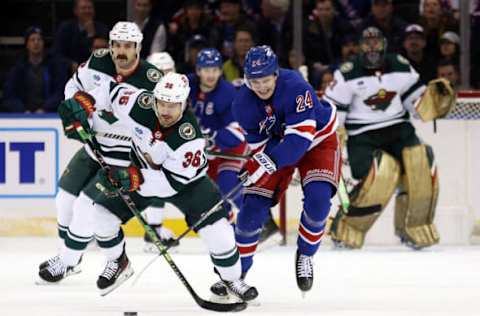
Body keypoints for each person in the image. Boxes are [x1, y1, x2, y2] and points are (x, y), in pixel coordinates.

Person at [50, 72, 259, 301]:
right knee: (100, 214)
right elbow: (109, 91)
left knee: (219, 232)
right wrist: (83, 103)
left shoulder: (189, 138)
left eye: (173, 105)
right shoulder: (140, 103)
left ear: (184, 103)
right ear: (154, 98)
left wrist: (135, 177)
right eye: (161, 103)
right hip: (139, 173)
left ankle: (231, 279)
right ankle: (117, 261)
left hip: (188, 185)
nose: (166, 111)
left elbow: (170, 184)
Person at [37, 22, 173, 282]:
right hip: (93, 145)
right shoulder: (98, 60)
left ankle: (98, 261)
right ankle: (71, 258)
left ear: (138, 48)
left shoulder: (152, 79)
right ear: (110, 46)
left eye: (128, 46)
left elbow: (159, 122)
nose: (122, 51)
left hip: (125, 155)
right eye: (117, 45)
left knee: (88, 208)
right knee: (64, 200)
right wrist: (76, 110)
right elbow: (72, 88)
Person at [211, 45, 340, 297]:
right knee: (251, 208)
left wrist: (265, 162)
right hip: (277, 144)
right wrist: (254, 169)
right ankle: (235, 275)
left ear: (276, 75)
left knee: (318, 199)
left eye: (265, 79)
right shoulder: (243, 104)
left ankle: (305, 253)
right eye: (254, 80)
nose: (261, 86)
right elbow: (260, 147)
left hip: (317, 139)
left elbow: (299, 142)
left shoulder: (295, 85)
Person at [324, 27, 455, 250]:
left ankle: (413, 227)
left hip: (399, 130)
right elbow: (333, 113)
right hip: (362, 136)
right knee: (382, 173)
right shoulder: (347, 73)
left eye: (376, 43)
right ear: (359, 46)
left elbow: (417, 106)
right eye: (367, 44)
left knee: (421, 161)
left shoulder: (400, 65)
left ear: (384, 45)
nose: (372, 48)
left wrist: (433, 101)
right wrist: (332, 140)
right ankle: (347, 227)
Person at [188, 48, 247, 211]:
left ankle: (254, 218)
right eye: (206, 70)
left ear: (220, 70)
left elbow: (238, 131)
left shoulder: (227, 93)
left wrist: (212, 137)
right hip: (206, 151)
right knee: (214, 196)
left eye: (214, 70)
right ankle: (228, 226)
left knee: (227, 182)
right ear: (198, 71)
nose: (211, 75)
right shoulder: (187, 86)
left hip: (232, 148)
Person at [3, 26, 70, 113]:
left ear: (43, 43)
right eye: (32, 40)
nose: (36, 43)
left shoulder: (54, 66)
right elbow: (9, 94)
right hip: (24, 115)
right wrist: (22, 110)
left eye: (39, 39)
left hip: (50, 114)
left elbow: (60, 91)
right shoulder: (18, 68)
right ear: (27, 44)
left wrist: (45, 109)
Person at [53, 0, 109, 67]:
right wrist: (70, 63)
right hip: (72, 69)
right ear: (75, 11)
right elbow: (57, 53)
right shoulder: (66, 28)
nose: (87, 11)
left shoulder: (102, 29)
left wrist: (91, 35)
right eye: (84, 8)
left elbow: (100, 53)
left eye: (90, 8)